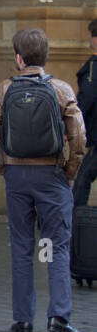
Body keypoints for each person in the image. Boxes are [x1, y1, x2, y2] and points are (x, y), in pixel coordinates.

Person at [0, 27, 87, 332]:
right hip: (51, 174)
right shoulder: (61, 89)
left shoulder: (4, 90)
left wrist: (1, 166)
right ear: (45, 57)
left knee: (22, 246)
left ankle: (23, 318)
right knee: (57, 244)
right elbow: (78, 136)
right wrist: (69, 171)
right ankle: (59, 317)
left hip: (16, 175)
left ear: (18, 58)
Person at [73, 19, 97, 207]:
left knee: (83, 180)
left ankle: (74, 224)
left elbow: (86, 100)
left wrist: (72, 128)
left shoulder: (93, 68)